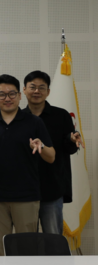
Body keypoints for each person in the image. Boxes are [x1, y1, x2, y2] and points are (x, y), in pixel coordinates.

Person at [0, 74, 55, 257]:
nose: (7, 98)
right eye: (2, 94)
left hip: (26, 196)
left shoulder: (34, 122)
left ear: (19, 95)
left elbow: (51, 157)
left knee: (27, 248)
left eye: (11, 94)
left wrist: (41, 146)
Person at [21, 71, 82, 235]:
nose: (37, 91)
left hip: (52, 187)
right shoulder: (19, 117)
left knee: (54, 238)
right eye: (32, 87)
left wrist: (71, 140)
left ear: (48, 91)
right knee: (27, 239)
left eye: (42, 87)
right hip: (25, 189)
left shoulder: (61, 115)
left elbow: (69, 149)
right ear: (24, 90)